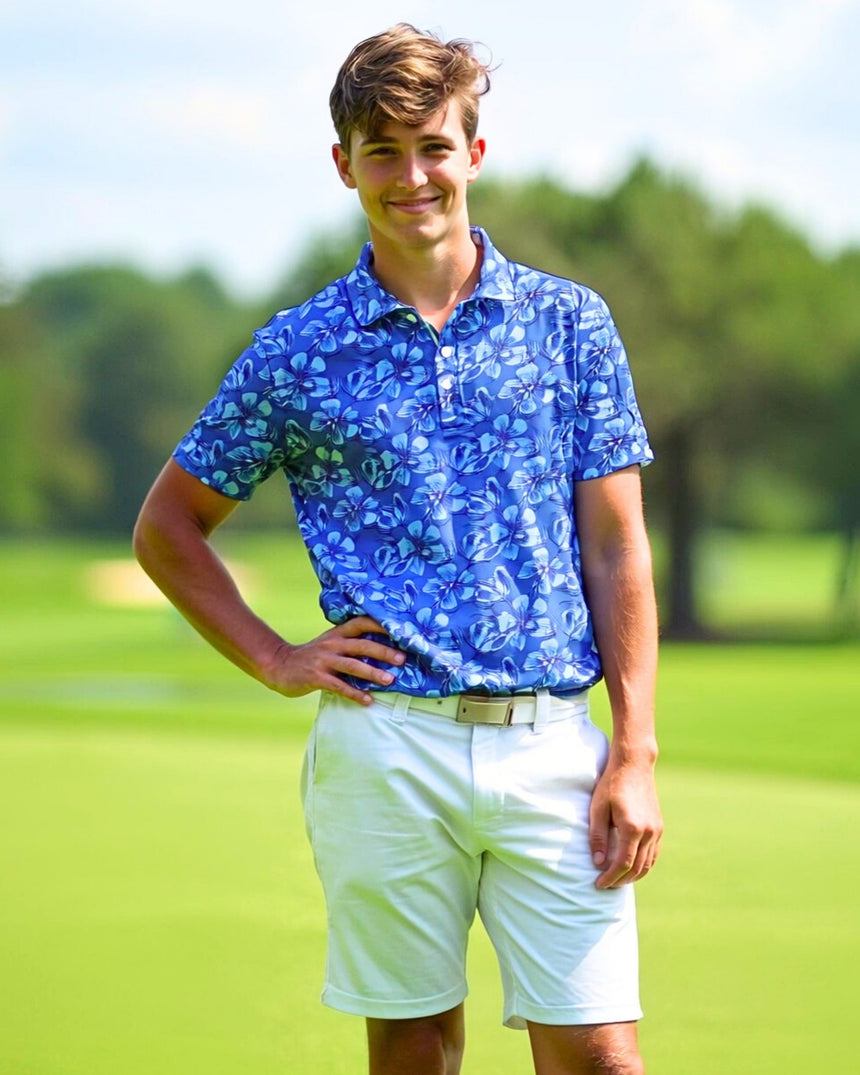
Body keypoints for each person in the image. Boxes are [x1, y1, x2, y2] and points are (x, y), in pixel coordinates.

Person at [134, 23, 663, 1075]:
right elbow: (166, 528)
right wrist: (278, 658)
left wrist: (634, 749)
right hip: (384, 746)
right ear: (343, 167)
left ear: (472, 151)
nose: (409, 174)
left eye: (430, 145)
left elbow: (614, 547)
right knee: (415, 1050)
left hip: (551, 742)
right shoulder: (299, 346)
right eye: (380, 151)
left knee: (601, 1054)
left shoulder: (569, 325)